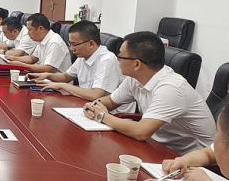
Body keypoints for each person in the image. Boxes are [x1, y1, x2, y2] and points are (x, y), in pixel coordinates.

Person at [82, 32, 215, 154]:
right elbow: (111, 101)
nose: (118, 60)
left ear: (137, 64)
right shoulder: (135, 79)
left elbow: (141, 132)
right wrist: (93, 106)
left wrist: (103, 116)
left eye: (120, 56)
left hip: (191, 159)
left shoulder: (171, 88)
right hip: (157, 146)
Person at [28, 21, 132, 111]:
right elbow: (66, 76)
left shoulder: (107, 60)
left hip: (112, 114)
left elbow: (95, 94)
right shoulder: (83, 56)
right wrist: (47, 75)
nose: (71, 48)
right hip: (87, 105)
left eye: (74, 44)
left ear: (91, 44)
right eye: (70, 44)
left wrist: (62, 85)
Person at [7, 13, 72, 73]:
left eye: (30, 30)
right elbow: (32, 58)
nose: (28, 33)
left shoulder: (55, 42)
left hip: (56, 80)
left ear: (40, 29)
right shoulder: (42, 39)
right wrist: (15, 58)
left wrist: (22, 65)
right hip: (44, 76)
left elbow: (47, 69)